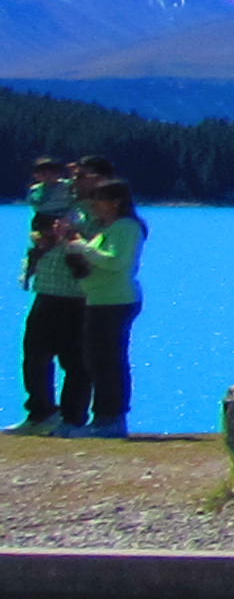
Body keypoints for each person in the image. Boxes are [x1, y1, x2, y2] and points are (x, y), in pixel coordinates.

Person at [61, 173, 141, 439]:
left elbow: (116, 262)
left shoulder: (127, 227)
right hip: (99, 300)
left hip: (115, 301)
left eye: (99, 199)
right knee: (95, 361)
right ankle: (102, 418)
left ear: (115, 202)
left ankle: (111, 419)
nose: (94, 204)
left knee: (109, 361)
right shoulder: (107, 228)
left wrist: (82, 247)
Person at [21, 205, 87, 435]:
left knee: (74, 363)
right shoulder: (42, 239)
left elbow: (84, 267)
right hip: (44, 296)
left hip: (74, 300)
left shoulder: (80, 228)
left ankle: (73, 419)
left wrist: (67, 238)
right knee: (34, 359)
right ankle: (41, 413)